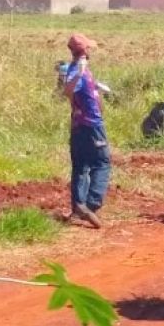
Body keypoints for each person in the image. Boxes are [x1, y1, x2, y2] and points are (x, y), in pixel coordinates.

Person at [63, 34, 111, 229]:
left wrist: (96, 85)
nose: (91, 51)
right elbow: (68, 91)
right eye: (88, 48)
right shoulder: (78, 71)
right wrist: (81, 74)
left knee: (81, 165)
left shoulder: (79, 70)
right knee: (102, 162)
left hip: (79, 125)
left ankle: (78, 206)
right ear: (84, 52)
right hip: (91, 125)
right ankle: (91, 204)